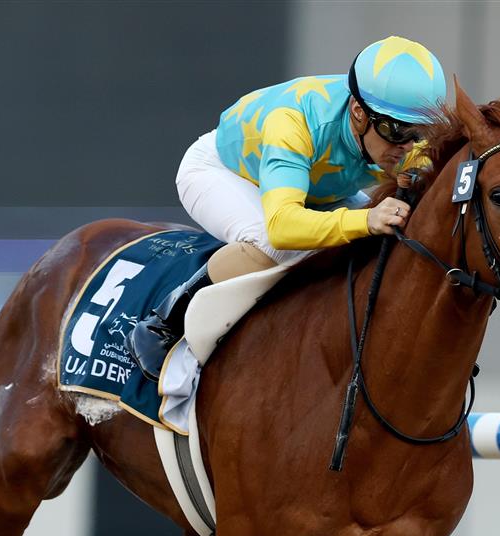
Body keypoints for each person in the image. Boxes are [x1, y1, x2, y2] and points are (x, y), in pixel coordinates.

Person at [129, 35, 448, 380]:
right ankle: (165, 321)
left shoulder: (396, 137)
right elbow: (283, 227)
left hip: (314, 188)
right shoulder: (294, 122)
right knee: (273, 245)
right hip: (226, 172)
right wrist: (367, 219)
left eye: (420, 134)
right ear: (359, 113)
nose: (409, 148)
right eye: (397, 132)